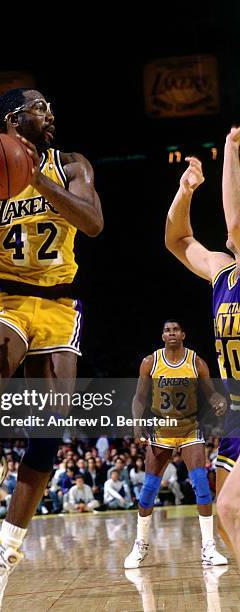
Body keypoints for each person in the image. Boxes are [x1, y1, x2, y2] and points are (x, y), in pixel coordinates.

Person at [0, 87, 103, 611]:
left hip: (60, 302)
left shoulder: (71, 163)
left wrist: (35, 176)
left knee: (47, 432)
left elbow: (93, 223)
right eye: (41, 108)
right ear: (14, 120)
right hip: (7, 296)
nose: (51, 114)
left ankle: (2, 558)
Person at [164, 134, 240, 562]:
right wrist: (185, 190)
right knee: (226, 515)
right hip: (234, 414)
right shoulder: (222, 273)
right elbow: (177, 240)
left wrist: (230, 149)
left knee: (230, 509)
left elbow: (233, 225)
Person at [124, 320, 227, 569]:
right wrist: (136, 424)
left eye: (175, 330)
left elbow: (210, 392)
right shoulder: (151, 362)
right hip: (161, 431)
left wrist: (218, 401)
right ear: (163, 336)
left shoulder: (196, 362)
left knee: (202, 487)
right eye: (167, 330)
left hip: (190, 429)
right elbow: (139, 398)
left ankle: (208, 547)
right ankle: (140, 545)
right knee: (149, 490)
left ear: (183, 334)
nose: (172, 333)